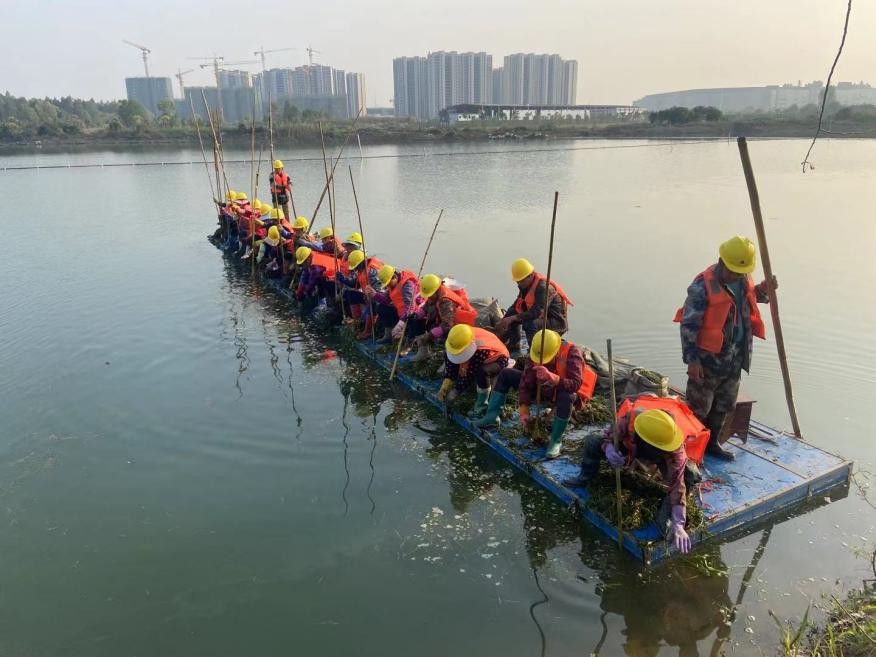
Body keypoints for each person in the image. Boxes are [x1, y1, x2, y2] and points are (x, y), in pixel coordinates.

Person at [674, 235, 774, 461]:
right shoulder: (702, 286)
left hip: (735, 358)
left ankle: (711, 444)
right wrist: (692, 361)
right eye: (733, 271)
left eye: (741, 272)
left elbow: (752, 297)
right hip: (708, 361)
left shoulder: (742, 278)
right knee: (698, 409)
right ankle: (686, 453)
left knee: (724, 405)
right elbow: (689, 325)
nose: (737, 276)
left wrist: (764, 289)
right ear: (721, 261)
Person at [563, 406, 693, 554]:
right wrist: (609, 449)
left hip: (660, 461)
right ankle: (584, 477)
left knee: (689, 475)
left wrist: (679, 522)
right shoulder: (631, 420)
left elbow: (677, 485)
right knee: (593, 441)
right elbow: (608, 436)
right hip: (631, 449)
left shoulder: (674, 450)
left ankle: (666, 522)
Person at [475, 329, 596, 459]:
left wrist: (553, 377)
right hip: (541, 389)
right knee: (506, 374)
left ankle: (555, 440)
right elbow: (525, 382)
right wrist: (524, 411)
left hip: (560, 392)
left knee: (567, 395)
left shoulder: (572, 353)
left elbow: (575, 384)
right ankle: (492, 416)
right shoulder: (536, 353)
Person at [494, 258, 573, 355]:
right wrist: (505, 319)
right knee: (511, 314)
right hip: (539, 317)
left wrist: (513, 318)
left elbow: (537, 311)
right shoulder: (525, 284)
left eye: (521, 281)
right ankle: (513, 345)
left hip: (554, 323)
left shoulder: (543, 287)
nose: (519, 284)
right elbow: (517, 304)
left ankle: (533, 353)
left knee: (529, 324)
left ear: (530, 275)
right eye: (517, 282)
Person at [438, 324, 510, 417]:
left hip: (498, 357)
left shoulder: (480, 350)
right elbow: (450, 363)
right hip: (477, 352)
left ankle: (481, 405)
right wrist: (445, 386)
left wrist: (455, 392)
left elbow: (469, 375)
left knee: (481, 372)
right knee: (454, 363)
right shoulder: (456, 338)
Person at [410, 274, 478, 362]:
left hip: (460, 327)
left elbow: (447, 325)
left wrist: (429, 335)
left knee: (445, 337)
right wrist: (415, 316)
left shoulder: (446, 301)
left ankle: (447, 358)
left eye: (430, 295)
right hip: (449, 321)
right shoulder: (435, 294)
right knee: (420, 322)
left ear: (436, 290)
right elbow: (427, 306)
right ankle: (424, 351)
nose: (428, 297)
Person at [372, 264, 422, 343]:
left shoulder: (407, 285)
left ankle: (408, 341)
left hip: (412, 315)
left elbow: (410, 308)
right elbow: (386, 300)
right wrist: (374, 295)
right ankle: (388, 336)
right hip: (401, 313)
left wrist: (401, 322)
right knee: (382, 308)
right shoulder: (393, 285)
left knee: (412, 321)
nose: (387, 286)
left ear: (394, 277)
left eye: (388, 283)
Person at [341, 250, 383, 339]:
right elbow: (354, 283)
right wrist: (343, 279)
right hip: (366, 296)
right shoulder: (361, 269)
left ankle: (368, 332)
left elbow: (379, 290)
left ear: (361, 263)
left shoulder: (372, 272)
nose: (355, 269)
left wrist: (370, 295)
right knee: (351, 294)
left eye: (356, 267)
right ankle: (358, 321)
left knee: (372, 303)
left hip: (379, 299)